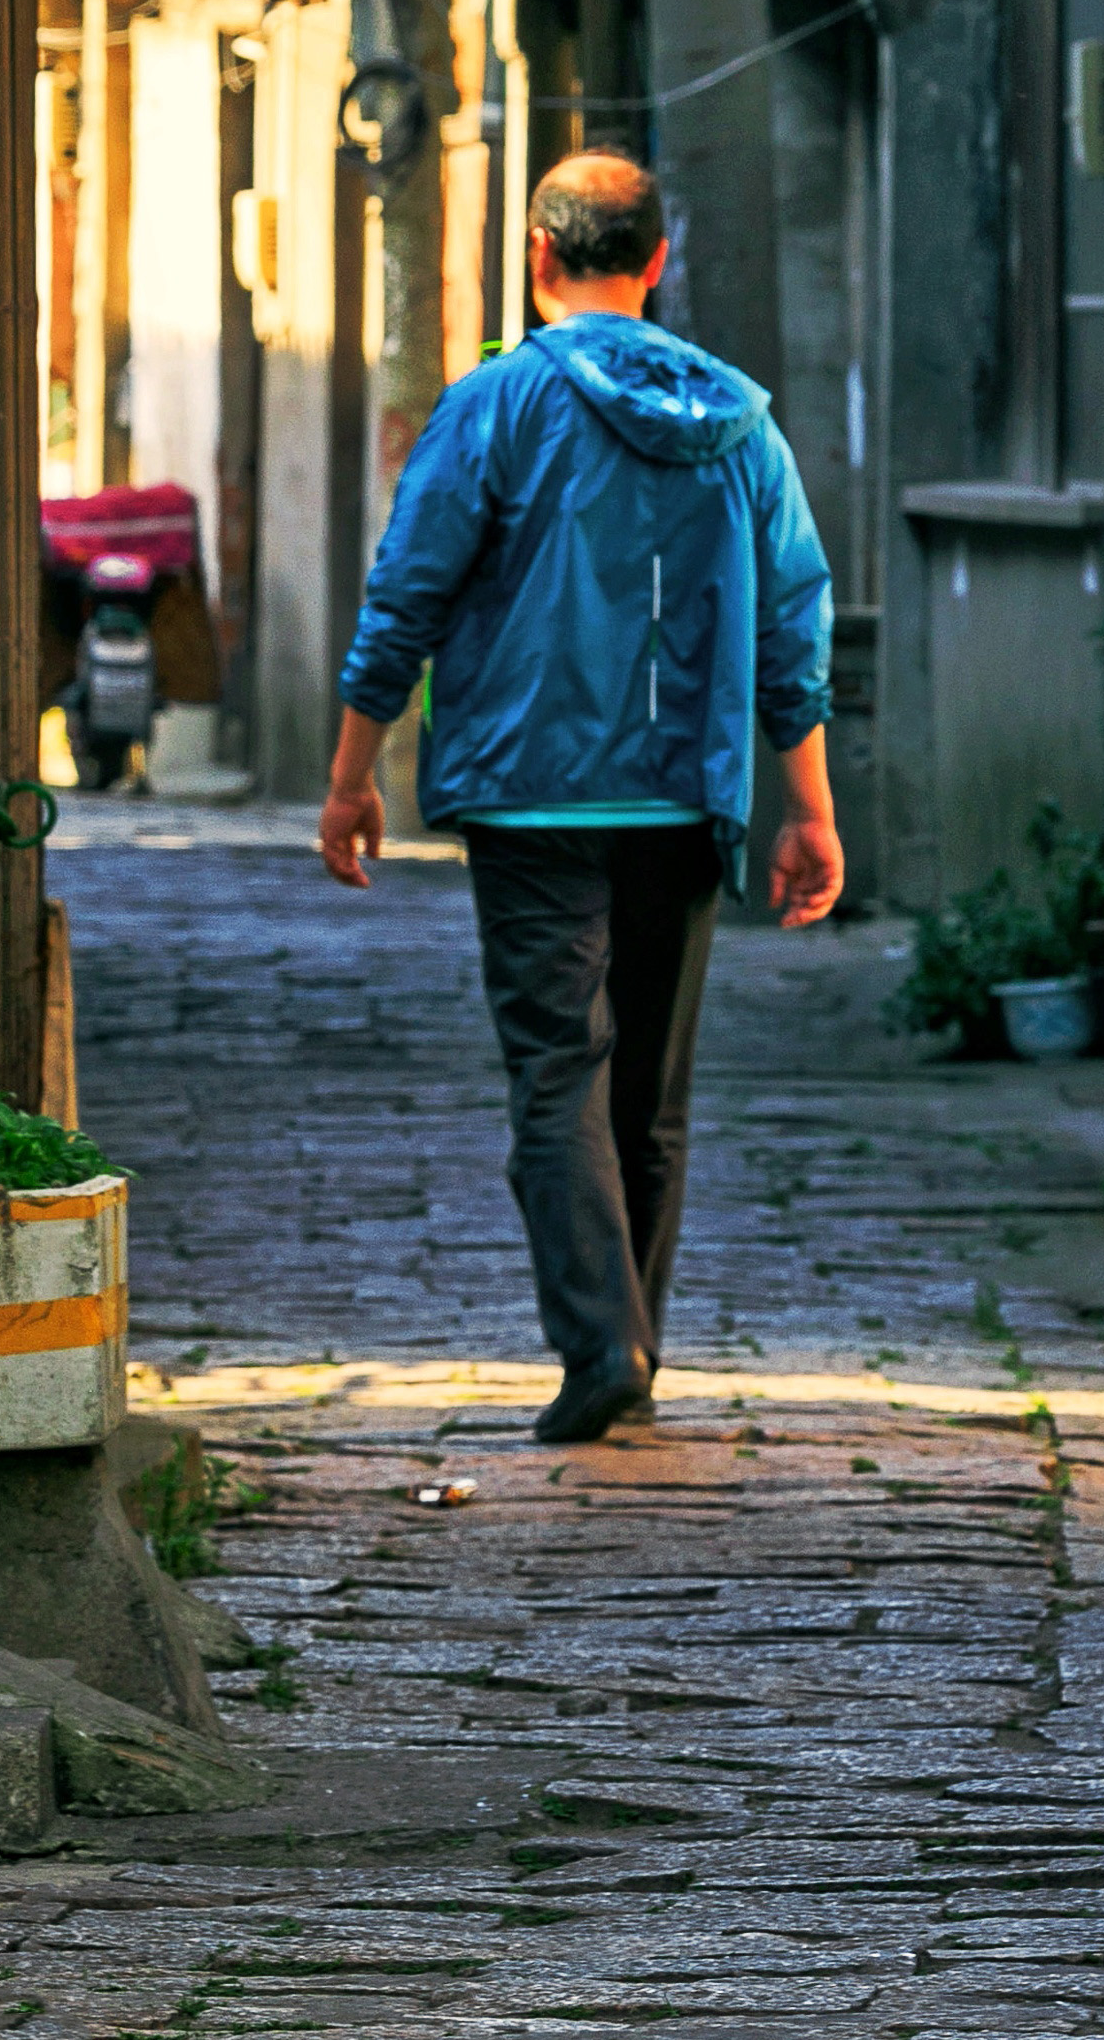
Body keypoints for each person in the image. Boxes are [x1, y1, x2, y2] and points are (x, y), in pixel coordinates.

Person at [318, 152, 844, 1443]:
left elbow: (409, 593)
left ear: (539, 259)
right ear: (655, 262)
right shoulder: (740, 422)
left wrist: (350, 774)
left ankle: (599, 1345)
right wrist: (809, 807)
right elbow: (791, 620)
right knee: (648, 1096)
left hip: (531, 795)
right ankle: (634, 1351)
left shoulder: (494, 405)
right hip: (684, 797)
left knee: (559, 1072)